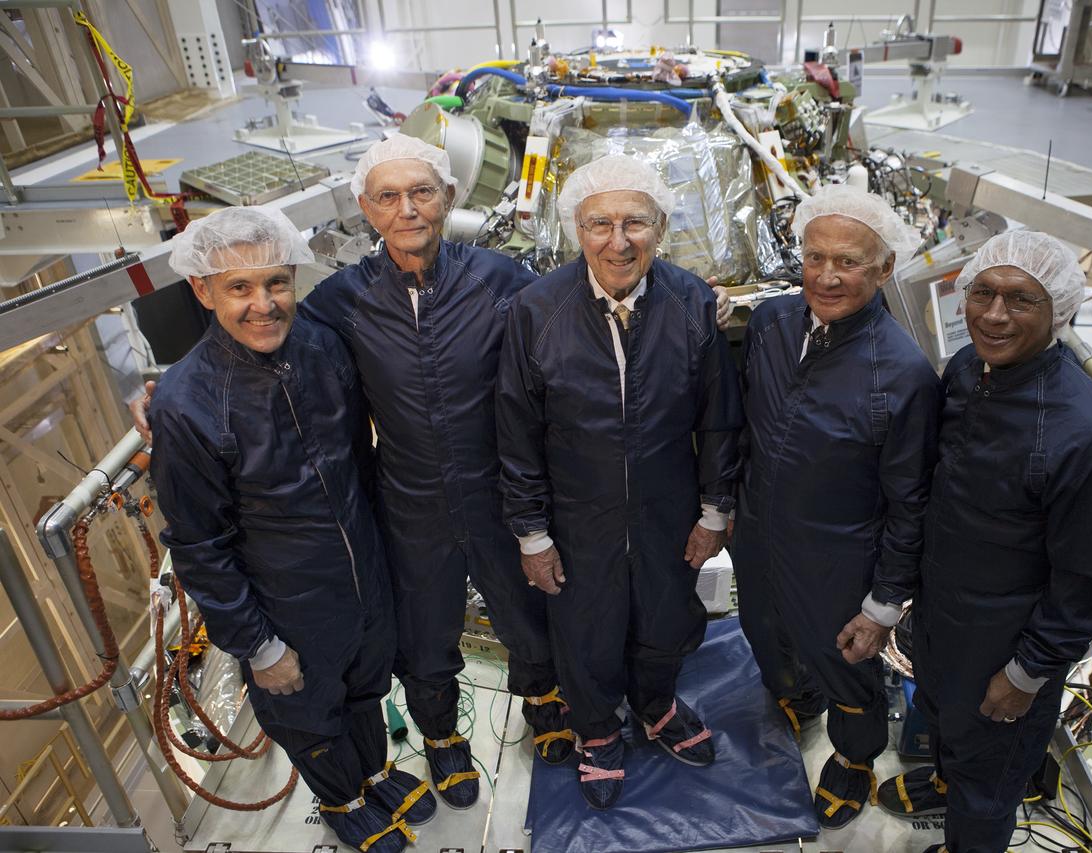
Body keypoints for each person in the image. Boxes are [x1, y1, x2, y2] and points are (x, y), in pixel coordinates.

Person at [129, 138, 734, 804]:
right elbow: (261, 327)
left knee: (531, 616)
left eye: (422, 192)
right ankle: (442, 736)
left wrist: (691, 300)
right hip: (408, 500)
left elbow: (583, 304)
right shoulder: (341, 300)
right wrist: (173, 388)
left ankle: (545, 703)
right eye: (387, 197)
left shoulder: (501, 281)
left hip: (500, 492)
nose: (407, 209)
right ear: (365, 208)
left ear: (448, 197)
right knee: (425, 634)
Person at [148, 207, 431, 853]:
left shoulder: (320, 348)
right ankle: (341, 799)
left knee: (363, 688)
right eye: (239, 287)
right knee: (308, 710)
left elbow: (359, 459)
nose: (264, 304)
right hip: (286, 602)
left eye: (276, 282)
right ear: (202, 290)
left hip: (360, 574)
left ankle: (375, 774)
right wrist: (257, 646)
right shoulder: (186, 405)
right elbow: (198, 545)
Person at [875, 231, 1092, 853]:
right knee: (944, 721)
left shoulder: (1086, 436)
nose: (994, 315)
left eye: (1021, 299)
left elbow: (1086, 583)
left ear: (1059, 310)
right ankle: (945, 780)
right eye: (983, 293)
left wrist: (1026, 673)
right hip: (943, 615)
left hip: (1005, 641)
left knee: (988, 783)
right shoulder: (972, 369)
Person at [495, 154, 743, 810]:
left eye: (636, 222)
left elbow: (720, 418)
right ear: (576, 230)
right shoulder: (537, 310)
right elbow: (516, 434)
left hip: (669, 507)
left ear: (660, 227)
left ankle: (656, 706)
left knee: (667, 617)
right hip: (578, 514)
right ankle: (598, 729)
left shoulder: (691, 302)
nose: (619, 241)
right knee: (586, 630)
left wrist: (714, 510)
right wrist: (531, 534)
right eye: (599, 224)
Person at [732, 185, 940, 829]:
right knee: (763, 629)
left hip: (837, 554)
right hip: (757, 531)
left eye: (848, 262)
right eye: (815, 257)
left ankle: (854, 758)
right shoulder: (771, 324)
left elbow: (911, 504)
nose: (826, 276)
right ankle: (797, 696)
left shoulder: (902, 374)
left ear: (884, 268)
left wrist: (883, 604)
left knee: (846, 665)